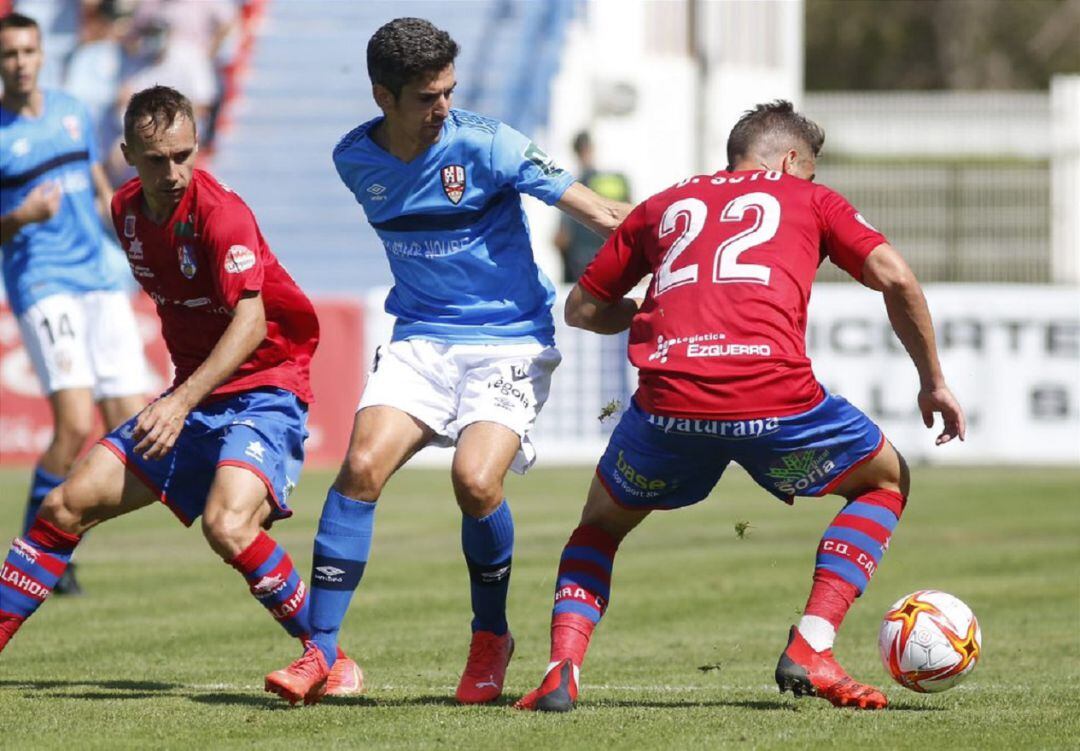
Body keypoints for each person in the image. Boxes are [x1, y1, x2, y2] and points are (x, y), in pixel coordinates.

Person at [514, 100, 966, 712]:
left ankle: (562, 669)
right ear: (788, 161)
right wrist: (933, 380)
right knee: (886, 480)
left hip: (669, 402)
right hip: (773, 397)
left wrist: (649, 313)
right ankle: (813, 642)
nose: (807, 181)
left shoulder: (664, 204)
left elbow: (583, 311)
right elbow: (898, 278)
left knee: (598, 527)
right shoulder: (810, 199)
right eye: (808, 170)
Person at [263, 17, 631, 706]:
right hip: (422, 338)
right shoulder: (354, 161)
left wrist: (695, 228)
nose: (444, 108)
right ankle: (322, 650)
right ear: (383, 96)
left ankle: (490, 636)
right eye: (428, 97)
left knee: (474, 479)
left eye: (448, 91)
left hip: (510, 338)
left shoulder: (487, 142)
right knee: (361, 467)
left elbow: (603, 214)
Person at [0, 85, 362, 702]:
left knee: (226, 524)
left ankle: (330, 657)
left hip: (264, 388)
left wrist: (179, 400)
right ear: (125, 157)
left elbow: (249, 326)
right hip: (193, 396)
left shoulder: (223, 215)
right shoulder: (124, 212)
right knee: (63, 507)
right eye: (155, 160)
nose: (172, 173)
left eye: (183, 155)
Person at [0, 11, 149, 595]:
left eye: (27, 52)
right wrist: (20, 216)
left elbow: (93, 179)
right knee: (73, 424)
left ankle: (57, 538)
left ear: (41, 55)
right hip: (43, 282)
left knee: (132, 428)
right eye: (9, 55)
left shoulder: (71, 112)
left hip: (98, 281)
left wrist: (125, 222)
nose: (19, 63)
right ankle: (37, 554)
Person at [554, 131, 631, 283]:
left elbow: (562, 238)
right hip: (615, 261)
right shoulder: (616, 181)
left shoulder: (573, 185)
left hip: (582, 266)